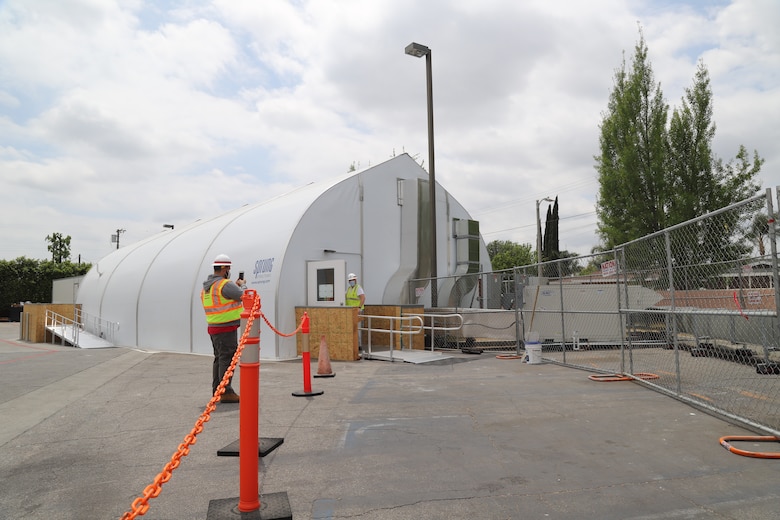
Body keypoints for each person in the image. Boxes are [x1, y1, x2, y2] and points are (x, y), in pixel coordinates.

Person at [201, 254, 246, 403]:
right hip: (226, 328)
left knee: (219, 359)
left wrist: (236, 286)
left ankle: (217, 390)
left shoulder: (208, 287)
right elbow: (245, 297)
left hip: (214, 328)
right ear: (224, 268)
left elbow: (225, 297)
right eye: (228, 268)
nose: (229, 271)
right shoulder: (225, 284)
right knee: (227, 360)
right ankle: (225, 391)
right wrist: (243, 285)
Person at [345, 273, 365, 350]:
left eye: (352, 280)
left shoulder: (358, 288)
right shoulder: (349, 289)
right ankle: (354, 343)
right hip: (351, 311)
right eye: (350, 280)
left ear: (355, 280)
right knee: (353, 328)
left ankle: (359, 345)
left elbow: (363, 298)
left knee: (358, 328)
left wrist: (359, 308)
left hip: (357, 311)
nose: (351, 281)